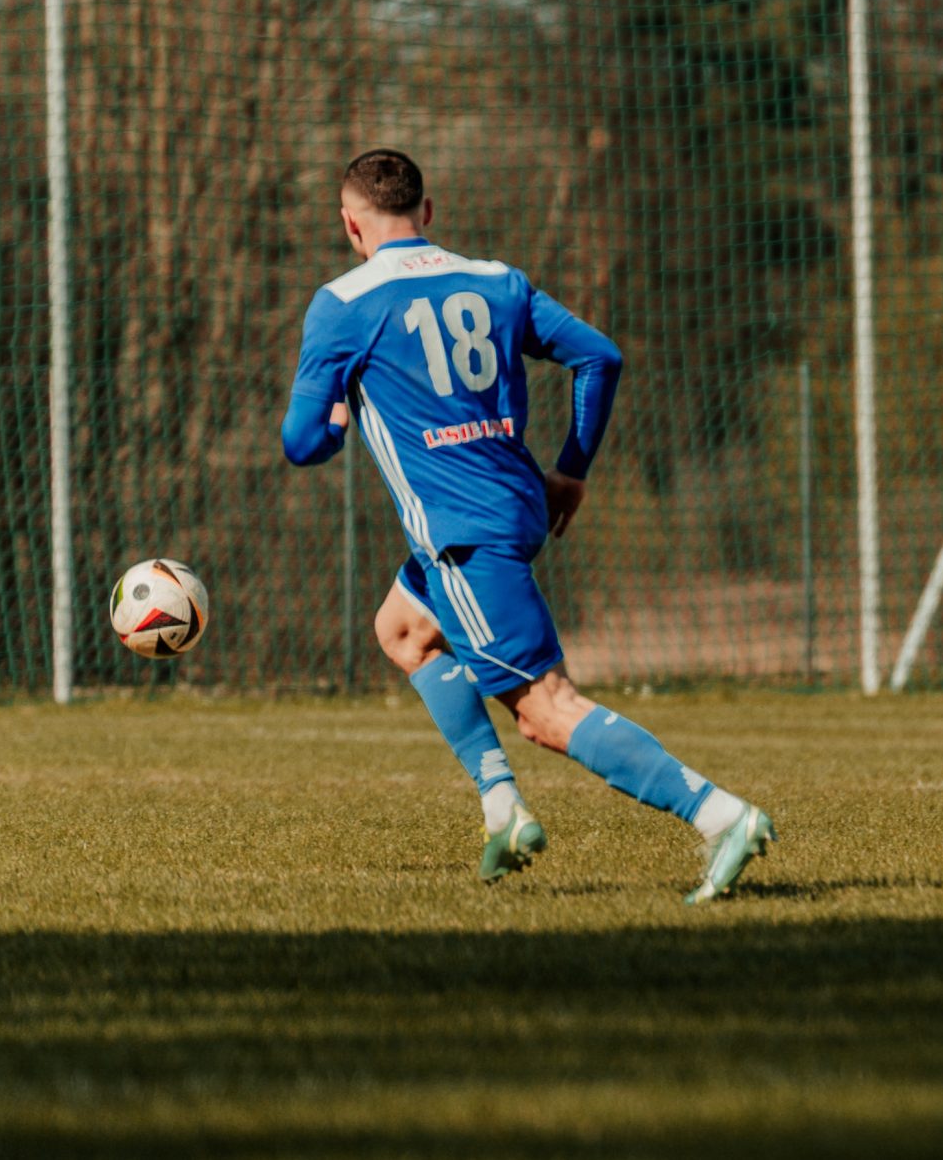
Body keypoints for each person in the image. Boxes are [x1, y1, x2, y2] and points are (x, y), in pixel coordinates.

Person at [282, 148, 776, 900]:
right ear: (428, 212)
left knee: (546, 710)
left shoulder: (343, 303)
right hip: (517, 508)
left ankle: (721, 816)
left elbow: (301, 443)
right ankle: (503, 809)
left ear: (350, 224)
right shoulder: (496, 281)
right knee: (403, 630)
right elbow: (599, 357)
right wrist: (571, 469)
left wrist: (338, 421)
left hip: (463, 533)